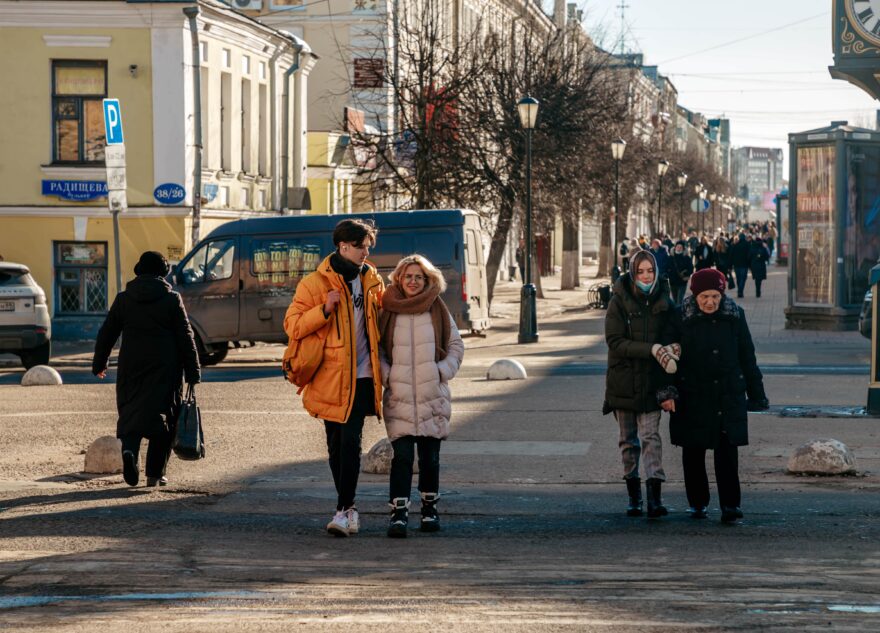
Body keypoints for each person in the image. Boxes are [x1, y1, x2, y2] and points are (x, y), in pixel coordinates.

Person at [283, 219, 385, 537]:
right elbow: (293, 325)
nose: (365, 252)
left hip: (363, 376)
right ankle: (348, 509)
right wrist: (324, 310)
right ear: (343, 246)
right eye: (360, 246)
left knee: (351, 442)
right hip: (329, 377)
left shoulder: (372, 281)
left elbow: (382, 319)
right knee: (335, 446)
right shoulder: (315, 284)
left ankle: (343, 510)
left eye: (368, 247)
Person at [658, 269, 769, 524]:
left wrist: (757, 394)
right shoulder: (679, 318)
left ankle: (731, 505)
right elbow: (666, 358)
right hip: (692, 393)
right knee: (693, 452)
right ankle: (697, 503)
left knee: (727, 452)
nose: (710, 302)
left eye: (715, 296)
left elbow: (747, 356)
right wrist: (667, 392)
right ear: (695, 295)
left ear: (722, 295)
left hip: (727, 393)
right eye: (705, 296)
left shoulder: (735, 316)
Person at [92, 251, 200, 488]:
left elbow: (107, 332)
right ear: (163, 273)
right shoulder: (171, 299)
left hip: (131, 368)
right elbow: (186, 336)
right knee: (163, 422)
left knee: (131, 416)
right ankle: (154, 474)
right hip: (165, 370)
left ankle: (130, 452)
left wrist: (100, 363)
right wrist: (193, 371)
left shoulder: (124, 299)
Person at [379, 255, 464, 537]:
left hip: (432, 395)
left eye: (419, 277)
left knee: (430, 459)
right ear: (399, 279)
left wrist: (442, 371)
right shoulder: (388, 309)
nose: (413, 281)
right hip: (399, 396)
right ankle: (399, 514)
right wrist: (387, 374)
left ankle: (429, 510)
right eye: (408, 276)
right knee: (402, 458)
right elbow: (375, 348)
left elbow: (455, 345)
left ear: (428, 280)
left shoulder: (436, 308)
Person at [603, 250, 678, 519]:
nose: (646, 276)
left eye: (650, 271)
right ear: (633, 274)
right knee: (628, 441)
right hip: (623, 381)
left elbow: (672, 335)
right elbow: (615, 341)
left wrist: (672, 349)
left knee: (651, 438)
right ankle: (633, 496)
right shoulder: (618, 301)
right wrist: (652, 349)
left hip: (651, 382)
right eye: (640, 272)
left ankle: (654, 499)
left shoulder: (665, 301)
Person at [669, 240, 694, 306]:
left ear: (683, 249)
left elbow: (691, 269)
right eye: (678, 247)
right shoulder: (670, 257)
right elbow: (667, 268)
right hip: (673, 282)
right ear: (675, 247)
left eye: (681, 247)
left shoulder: (687, 258)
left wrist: (686, 274)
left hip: (682, 282)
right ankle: (676, 314)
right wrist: (669, 275)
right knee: (675, 300)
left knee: (679, 301)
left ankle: (679, 315)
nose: (679, 248)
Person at [729, 232, 751, 298]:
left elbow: (731, 256)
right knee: (743, 278)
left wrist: (730, 265)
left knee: (738, 278)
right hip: (744, 265)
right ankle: (740, 291)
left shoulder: (735, 245)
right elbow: (749, 255)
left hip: (736, 265)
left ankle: (740, 291)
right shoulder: (747, 245)